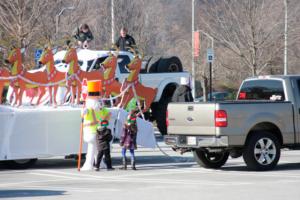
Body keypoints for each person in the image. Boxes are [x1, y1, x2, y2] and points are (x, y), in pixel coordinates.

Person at [81, 80, 103, 171]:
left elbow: (84, 115)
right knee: (97, 149)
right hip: (95, 131)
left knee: (92, 149)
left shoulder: (93, 106)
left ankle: (89, 164)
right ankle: (100, 164)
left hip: (92, 131)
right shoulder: (98, 106)